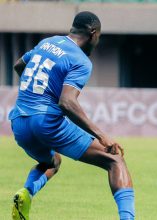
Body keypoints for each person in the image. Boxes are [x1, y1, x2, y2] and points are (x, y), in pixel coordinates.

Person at [10, 11, 135, 220]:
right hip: (46, 121)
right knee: (115, 160)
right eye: (99, 37)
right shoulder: (80, 60)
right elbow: (67, 102)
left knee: (52, 162)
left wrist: (35, 91)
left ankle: (26, 193)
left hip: (19, 122)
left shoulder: (47, 42)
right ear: (93, 33)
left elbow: (18, 65)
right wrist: (102, 135)